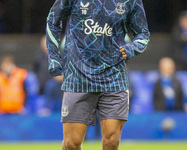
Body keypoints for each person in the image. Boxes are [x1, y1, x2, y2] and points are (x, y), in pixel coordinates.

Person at [46, 0, 150, 150]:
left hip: (114, 77)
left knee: (112, 142)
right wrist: (54, 57)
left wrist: (133, 48)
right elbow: (52, 20)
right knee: (71, 144)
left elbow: (143, 33)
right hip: (78, 77)